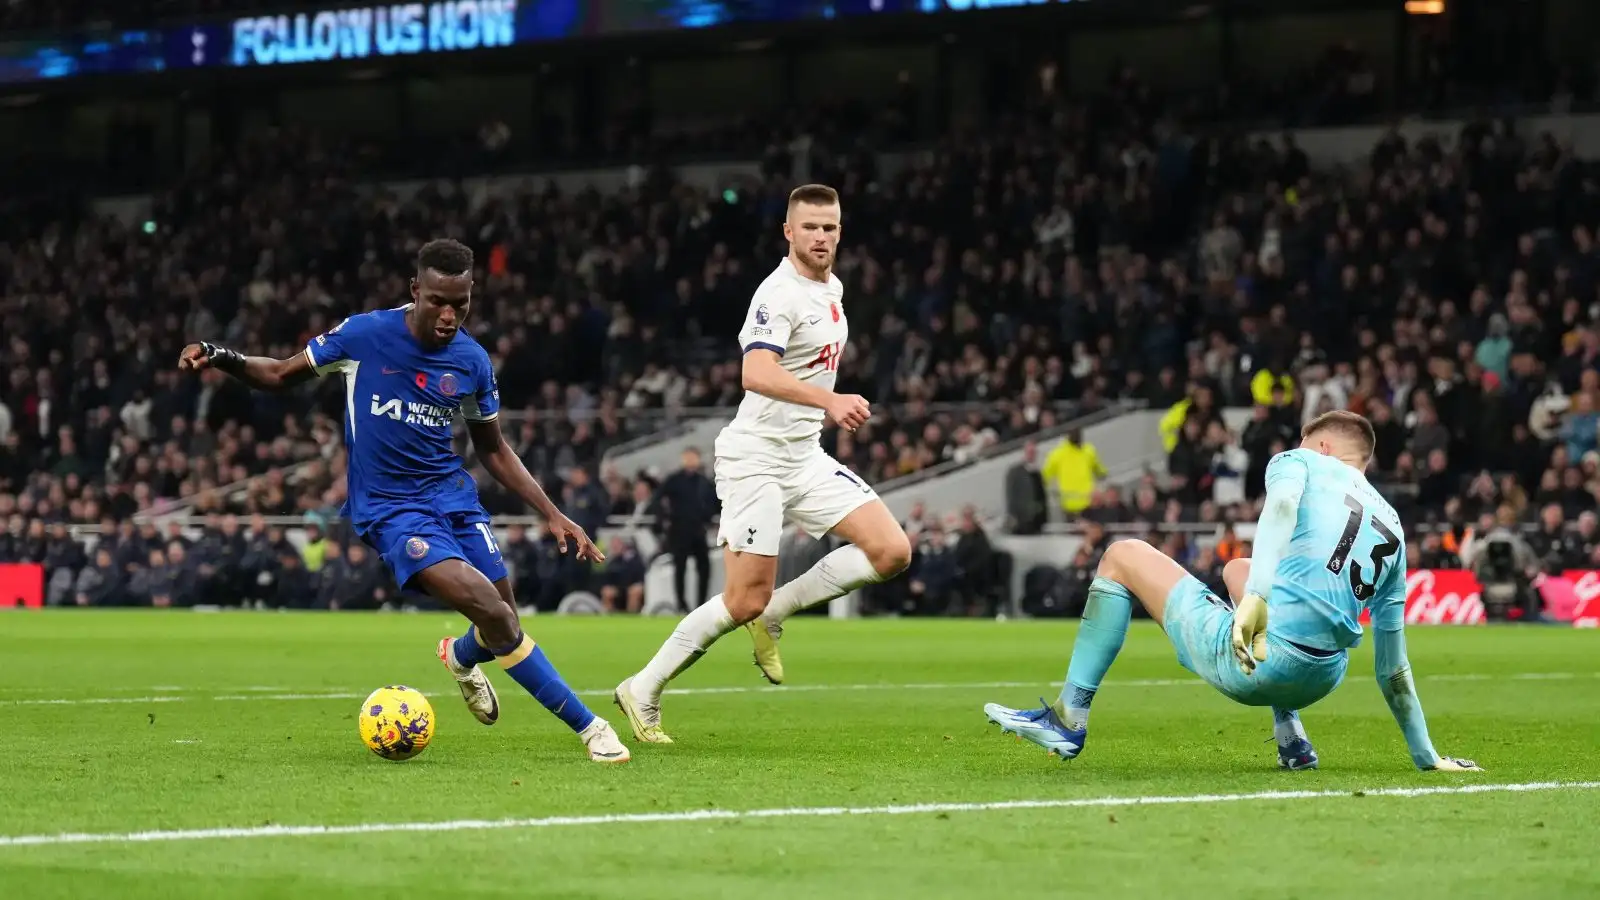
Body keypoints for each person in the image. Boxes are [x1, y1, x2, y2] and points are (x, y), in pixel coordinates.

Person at [177, 238, 629, 764]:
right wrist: (221, 357)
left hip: (453, 498)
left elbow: (493, 448)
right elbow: (278, 374)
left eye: (460, 303)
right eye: (437, 300)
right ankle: (591, 728)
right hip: (391, 510)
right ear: (415, 290)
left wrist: (553, 513)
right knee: (496, 615)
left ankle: (461, 658)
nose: (448, 315)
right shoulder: (364, 335)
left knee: (504, 618)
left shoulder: (471, 361)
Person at [983, 411, 1482, 773]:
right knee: (1236, 568)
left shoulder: (1299, 462)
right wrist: (1427, 757)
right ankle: (1293, 737)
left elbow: (1281, 510)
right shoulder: (1392, 524)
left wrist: (1259, 598)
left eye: (1305, 441)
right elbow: (1391, 667)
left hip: (1265, 665)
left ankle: (1069, 718)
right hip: (1323, 676)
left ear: (1322, 446)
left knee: (1121, 555)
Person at [613, 184, 912, 744]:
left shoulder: (833, 288)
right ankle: (643, 688)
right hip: (755, 458)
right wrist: (830, 401)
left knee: (892, 551)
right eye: (811, 227)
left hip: (802, 455)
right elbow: (755, 373)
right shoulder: (777, 293)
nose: (821, 237)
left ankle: (776, 612)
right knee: (741, 598)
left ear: (840, 232)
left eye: (830, 227)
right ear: (789, 232)